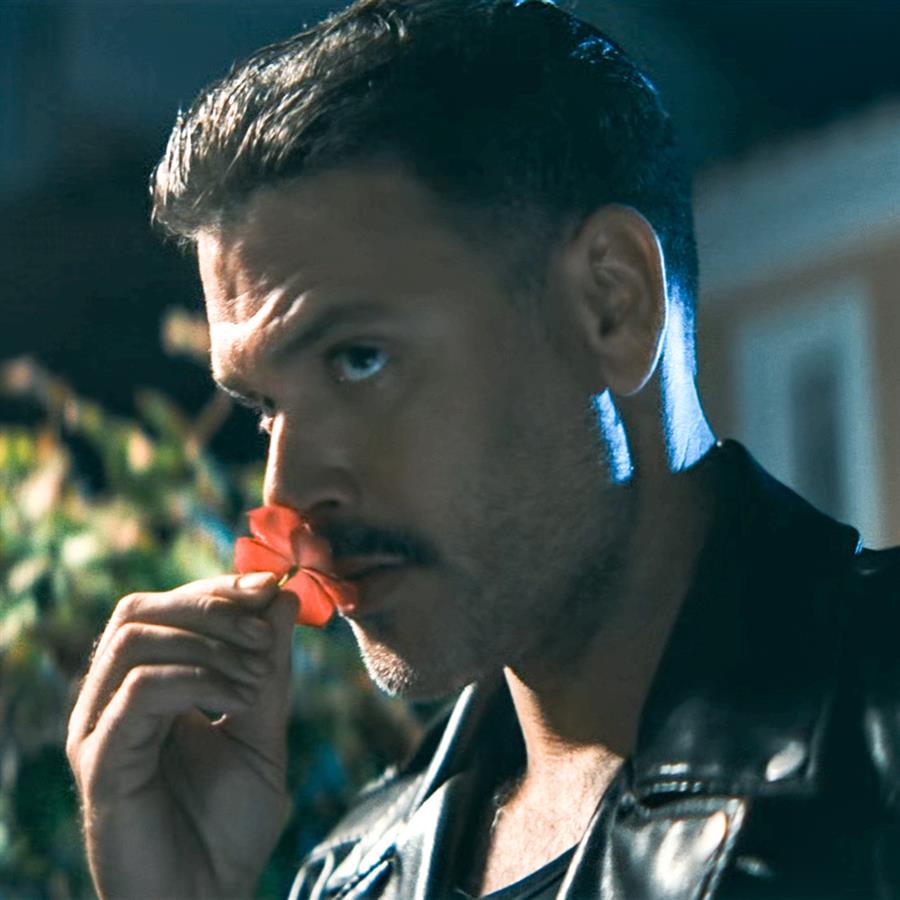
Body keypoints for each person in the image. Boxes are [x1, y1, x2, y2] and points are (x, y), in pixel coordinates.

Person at [66, 1, 900, 897]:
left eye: (359, 359)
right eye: (266, 408)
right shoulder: (350, 878)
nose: (289, 495)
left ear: (611, 305)